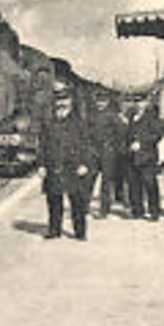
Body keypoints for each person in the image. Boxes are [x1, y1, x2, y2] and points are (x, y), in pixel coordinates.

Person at [40, 85, 99, 241]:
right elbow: (43, 145)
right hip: (54, 166)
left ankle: (80, 232)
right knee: (54, 200)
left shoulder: (79, 122)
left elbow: (87, 145)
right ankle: (54, 230)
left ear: (71, 101)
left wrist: (85, 164)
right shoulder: (49, 122)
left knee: (77, 202)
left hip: (74, 167)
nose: (61, 103)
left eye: (65, 99)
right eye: (58, 100)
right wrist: (41, 165)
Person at [125, 93, 164, 220]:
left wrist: (142, 143)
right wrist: (129, 145)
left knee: (150, 184)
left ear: (147, 103)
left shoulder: (152, 117)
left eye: (141, 102)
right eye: (135, 101)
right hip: (132, 155)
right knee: (133, 183)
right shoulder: (131, 117)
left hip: (147, 156)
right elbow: (128, 134)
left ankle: (154, 211)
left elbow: (157, 135)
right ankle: (137, 210)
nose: (138, 104)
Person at [89, 92, 128, 219]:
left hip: (108, 151)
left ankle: (104, 209)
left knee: (106, 181)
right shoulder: (91, 115)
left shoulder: (112, 116)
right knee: (90, 178)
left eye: (103, 101)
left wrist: (114, 147)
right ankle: (83, 206)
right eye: (98, 101)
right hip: (94, 151)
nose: (100, 103)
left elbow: (122, 132)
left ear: (107, 102)